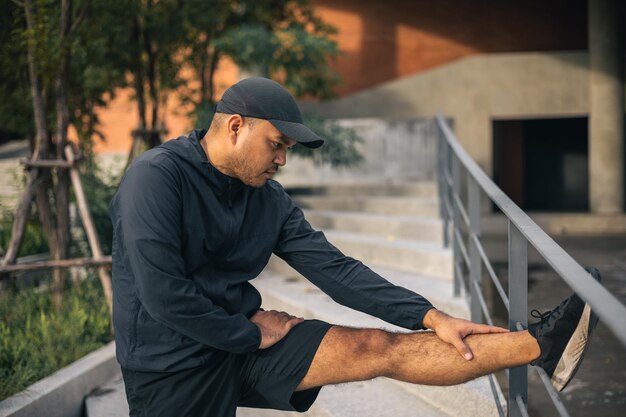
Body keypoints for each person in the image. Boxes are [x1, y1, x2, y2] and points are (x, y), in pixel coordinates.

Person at [109, 77, 601, 417]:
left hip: (243, 342)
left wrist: (430, 316)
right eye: (276, 144)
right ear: (236, 126)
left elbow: (337, 272)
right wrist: (246, 334)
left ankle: (542, 345)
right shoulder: (156, 179)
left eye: (288, 151)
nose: (282, 160)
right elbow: (163, 295)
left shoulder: (269, 200)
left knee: (377, 346)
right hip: (172, 363)